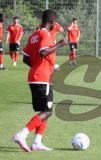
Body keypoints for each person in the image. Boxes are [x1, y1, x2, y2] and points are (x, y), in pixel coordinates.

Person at [12, 9, 68, 152]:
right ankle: (21, 134)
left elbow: (25, 57)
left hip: (37, 77)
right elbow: (43, 51)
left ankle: (37, 142)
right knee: (47, 111)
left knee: (46, 109)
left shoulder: (34, 35)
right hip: (42, 78)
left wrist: (42, 66)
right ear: (52, 22)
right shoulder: (44, 33)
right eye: (55, 23)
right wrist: (60, 44)